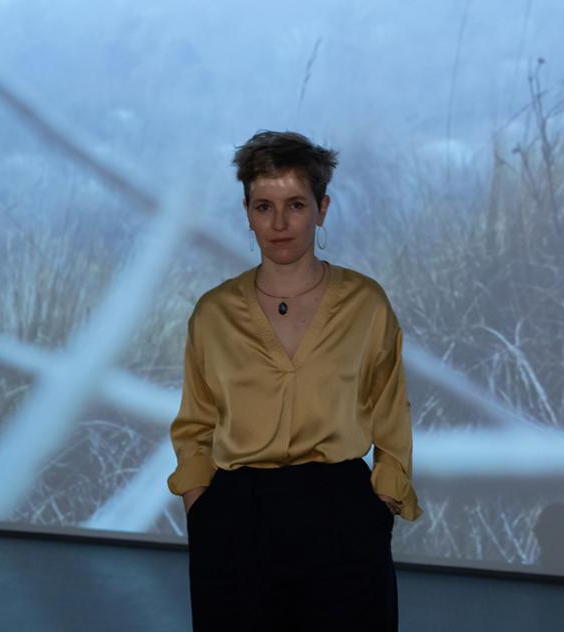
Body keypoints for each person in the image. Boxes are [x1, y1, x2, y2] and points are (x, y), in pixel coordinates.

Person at [166, 130, 423, 631]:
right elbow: (194, 425)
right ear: (246, 212)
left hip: (341, 519)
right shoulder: (214, 313)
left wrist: (379, 508)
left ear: (322, 209)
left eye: (296, 205)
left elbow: (392, 414)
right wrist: (203, 511)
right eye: (264, 206)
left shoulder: (365, 304)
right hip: (236, 523)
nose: (279, 223)